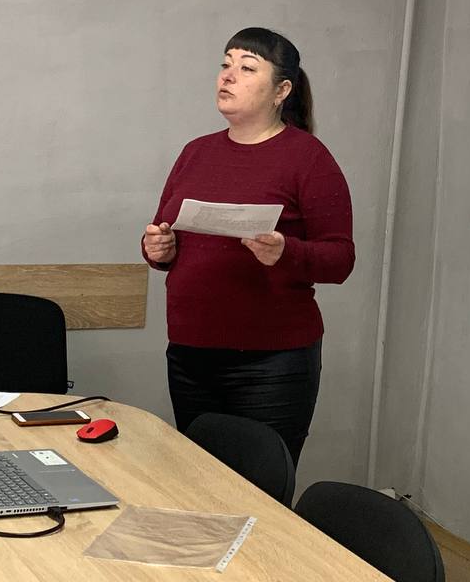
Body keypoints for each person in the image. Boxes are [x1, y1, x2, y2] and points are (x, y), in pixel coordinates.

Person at [141, 27, 354, 465]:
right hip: (191, 354)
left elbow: (341, 258)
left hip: (271, 364)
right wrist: (158, 249)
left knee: (259, 490)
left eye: (247, 68)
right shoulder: (195, 153)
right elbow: (166, 236)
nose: (228, 76)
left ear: (282, 90)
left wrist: (287, 253)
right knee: (198, 483)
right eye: (225, 65)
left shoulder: (308, 157)